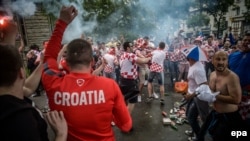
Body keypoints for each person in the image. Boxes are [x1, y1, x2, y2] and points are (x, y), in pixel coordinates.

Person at [42, 6, 132, 141]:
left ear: (66, 60)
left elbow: (49, 57)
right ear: (91, 60)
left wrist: (61, 23)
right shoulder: (110, 86)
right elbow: (126, 126)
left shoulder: (53, 83)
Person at [0, 23, 67, 141]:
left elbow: (29, 89)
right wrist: (60, 135)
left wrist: (42, 62)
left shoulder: (12, 97)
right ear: (22, 73)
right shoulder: (20, 120)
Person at [196, 51, 247, 141]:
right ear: (212, 61)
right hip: (215, 114)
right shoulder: (212, 75)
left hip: (230, 118)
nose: (221, 62)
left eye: (224, 59)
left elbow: (236, 99)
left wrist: (214, 96)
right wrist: (203, 91)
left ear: (227, 61)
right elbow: (210, 91)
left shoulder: (232, 77)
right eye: (218, 59)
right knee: (202, 135)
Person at [182, 46, 209, 141]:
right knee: (189, 115)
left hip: (198, 97)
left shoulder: (198, 69)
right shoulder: (192, 64)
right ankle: (193, 131)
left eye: (186, 55)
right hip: (192, 95)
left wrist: (191, 95)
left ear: (190, 57)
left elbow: (204, 85)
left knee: (191, 118)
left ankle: (200, 137)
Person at [119, 41, 151, 114]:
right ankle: (126, 121)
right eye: (131, 46)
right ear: (127, 48)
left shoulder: (123, 55)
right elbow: (142, 61)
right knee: (132, 102)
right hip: (130, 82)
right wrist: (149, 58)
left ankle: (122, 118)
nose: (133, 47)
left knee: (125, 100)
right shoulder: (130, 55)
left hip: (123, 80)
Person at [228, 32, 250, 132]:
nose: (246, 42)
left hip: (246, 93)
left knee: (243, 119)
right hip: (231, 90)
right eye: (245, 40)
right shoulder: (234, 55)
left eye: (249, 41)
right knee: (231, 114)